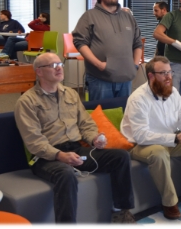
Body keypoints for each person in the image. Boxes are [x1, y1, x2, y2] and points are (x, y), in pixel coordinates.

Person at [14, 53, 135, 223]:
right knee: (65, 173)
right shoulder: (27, 101)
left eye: (59, 64)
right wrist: (59, 156)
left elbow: (85, 122)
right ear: (39, 72)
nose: (58, 68)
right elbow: (34, 141)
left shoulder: (70, 94)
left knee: (121, 156)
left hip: (76, 149)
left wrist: (94, 138)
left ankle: (121, 211)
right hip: (46, 157)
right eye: (52, 65)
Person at [121, 56, 181, 220]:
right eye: (163, 73)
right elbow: (142, 136)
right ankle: (169, 201)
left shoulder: (172, 91)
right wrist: (176, 138)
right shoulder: (138, 99)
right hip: (140, 144)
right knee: (158, 152)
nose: (169, 76)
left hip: (170, 140)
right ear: (151, 76)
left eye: (169, 72)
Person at [72, 0, 142, 101]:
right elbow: (80, 42)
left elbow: (137, 43)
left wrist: (135, 65)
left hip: (125, 78)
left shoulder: (128, 17)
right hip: (100, 78)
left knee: (123, 115)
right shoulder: (89, 16)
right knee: (101, 116)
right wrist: (99, 64)